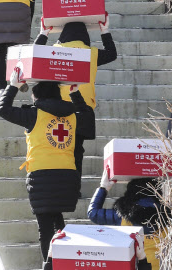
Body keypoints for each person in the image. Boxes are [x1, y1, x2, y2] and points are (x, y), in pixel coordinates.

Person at [0, 72, 95, 270]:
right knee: (57, 222)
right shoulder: (72, 115)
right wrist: (76, 94)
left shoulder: (34, 114)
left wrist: (13, 86)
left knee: (45, 227)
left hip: (42, 177)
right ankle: (63, 267)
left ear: (36, 96)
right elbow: (89, 119)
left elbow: (4, 110)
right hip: (67, 177)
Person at [35, 17, 117, 176]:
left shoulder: (54, 50)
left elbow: (34, 55)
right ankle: (75, 184)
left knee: (56, 146)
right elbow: (112, 54)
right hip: (82, 109)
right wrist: (104, 31)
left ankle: (56, 177)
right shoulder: (92, 53)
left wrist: (43, 33)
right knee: (77, 149)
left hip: (57, 108)